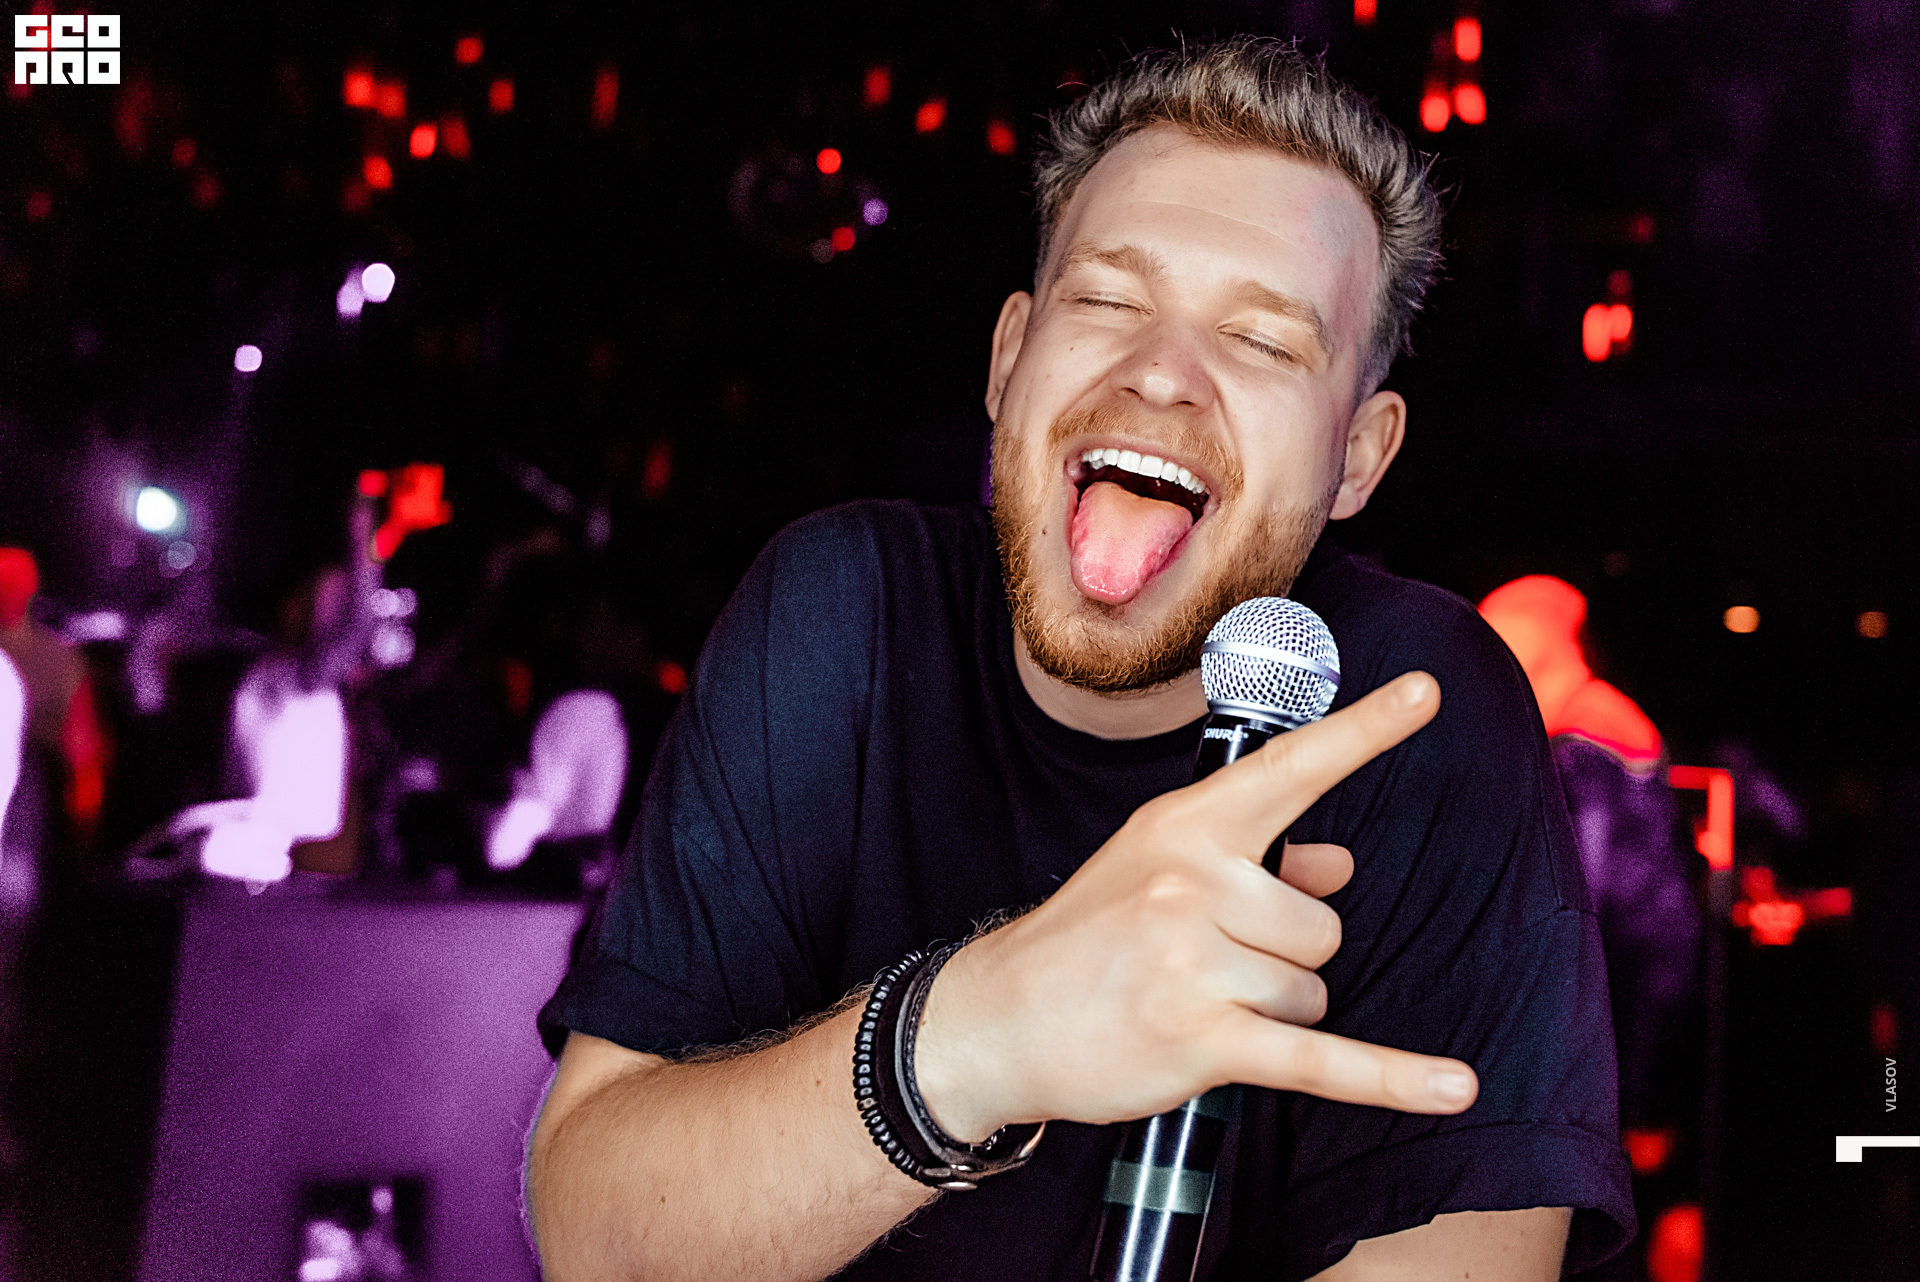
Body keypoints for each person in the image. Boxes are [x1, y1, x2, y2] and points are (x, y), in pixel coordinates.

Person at [529, 39, 1633, 1281]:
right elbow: (593, 1236)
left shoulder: (1419, 710)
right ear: (1009, 359)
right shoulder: (845, 611)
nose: (1161, 372)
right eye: (1108, 299)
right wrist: (979, 1034)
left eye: (1262, 339)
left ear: (1359, 457)